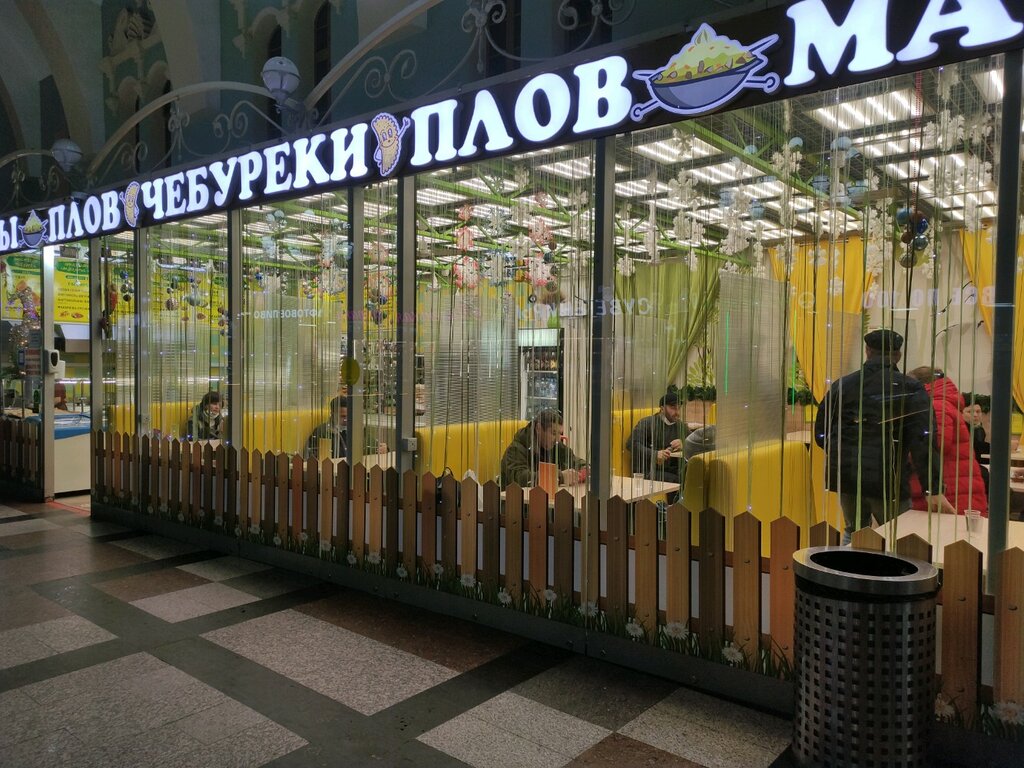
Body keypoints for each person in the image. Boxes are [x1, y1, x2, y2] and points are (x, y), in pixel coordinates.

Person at [814, 329, 956, 544]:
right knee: (897, 536)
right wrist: (933, 487)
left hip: (847, 475)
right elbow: (923, 439)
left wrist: (842, 454)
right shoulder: (909, 387)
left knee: (854, 531)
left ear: (867, 351)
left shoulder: (842, 385)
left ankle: (847, 564)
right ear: (898, 355)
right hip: (888, 476)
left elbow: (821, 431)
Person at [905, 368, 987, 515]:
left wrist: (900, 452)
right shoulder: (941, 403)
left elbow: (936, 443)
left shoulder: (936, 406)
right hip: (955, 491)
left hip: (948, 496)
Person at [500, 408, 586, 487]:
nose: (558, 439)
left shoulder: (554, 445)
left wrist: (585, 467)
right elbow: (521, 478)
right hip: (516, 498)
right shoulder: (515, 450)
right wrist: (560, 476)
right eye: (553, 433)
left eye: (560, 433)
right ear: (538, 428)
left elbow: (572, 459)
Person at [626, 389, 687, 483]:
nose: (677, 412)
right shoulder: (647, 423)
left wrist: (684, 443)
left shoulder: (680, 425)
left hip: (670, 470)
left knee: (693, 476)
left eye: (679, 408)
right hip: (648, 471)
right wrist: (654, 454)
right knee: (680, 480)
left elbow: (693, 441)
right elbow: (631, 444)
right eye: (673, 408)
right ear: (662, 409)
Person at [305, 395, 387, 460]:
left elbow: (373, 446)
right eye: (343, 416)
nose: (346, 419)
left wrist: (384, 449)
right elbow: (312, 457)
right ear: (332, 414)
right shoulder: (322, 432)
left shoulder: (357, 430)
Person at [963, 400, 990, 492]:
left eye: (978, 412)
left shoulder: (979, 429)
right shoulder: (962, 430)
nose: (975, 415)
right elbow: (977, 448)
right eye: (969, 412)